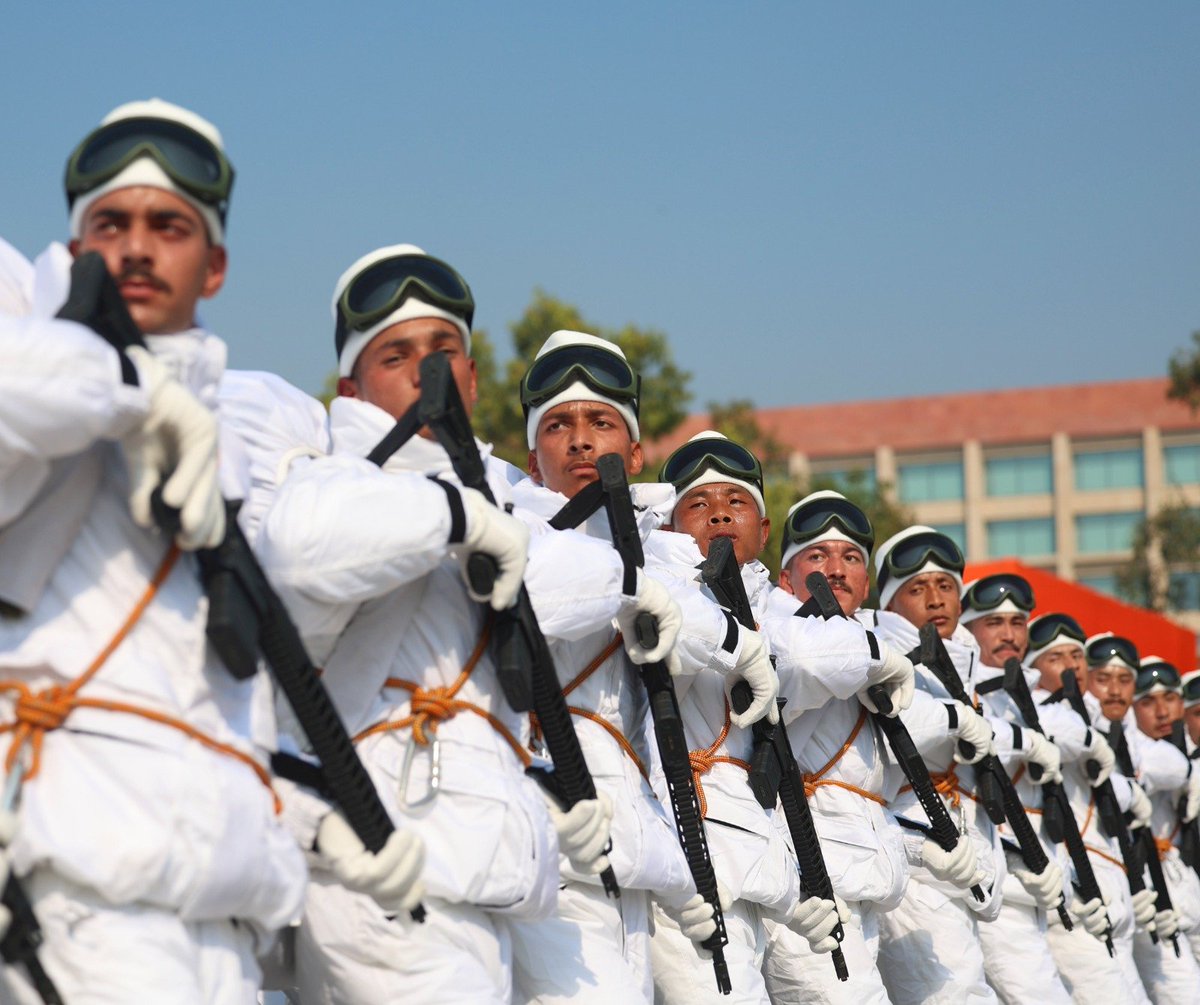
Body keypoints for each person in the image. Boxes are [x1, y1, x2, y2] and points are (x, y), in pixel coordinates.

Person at [0, 99, 329, 1003]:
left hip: (219, 917)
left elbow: (199, 711)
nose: (137, 247)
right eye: (110, 223)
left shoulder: (220, 438)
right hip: (78, 910)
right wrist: (137, 396)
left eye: (168, 225)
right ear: (72, 251)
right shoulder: (33, 335)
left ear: (214, 266)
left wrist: (308, 823)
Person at [257, 247, 626, 1003]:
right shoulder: (334, 479)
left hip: (475, 873)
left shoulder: (491, 494)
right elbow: (300, 550)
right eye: (398, 355)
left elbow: (571, 578)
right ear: (351, 388)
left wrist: (548, 800)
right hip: (381, 877)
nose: (428, 374)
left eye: (444, 352)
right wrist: (457, 514)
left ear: (473, 378)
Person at [505, 329, 719, 1002]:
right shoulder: (515, 530)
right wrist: (627, 586)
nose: (579, 440)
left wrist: (682, 879)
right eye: (558, 425)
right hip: (554, 846)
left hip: (635, 857)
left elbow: (721, 638)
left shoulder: (664, 556)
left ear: (635, 449)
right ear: (531, 458)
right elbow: (532, 589)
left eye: (602, 422)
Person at [648, 434, 848, 1004]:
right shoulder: (664, 588)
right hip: (692, 856)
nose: (718, 513)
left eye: (737, 502)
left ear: (764, 531)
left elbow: (822, 653)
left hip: (773, 862)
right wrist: (742, 647)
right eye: (698, 503)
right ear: (668, 527)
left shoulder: (779, 609)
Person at [762, 491, 978, 1005]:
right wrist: (888, 661)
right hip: (805, 891)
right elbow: (811, 664)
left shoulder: (868, 653)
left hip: (863, 885)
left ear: (866, 583)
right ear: (786, 578)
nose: (835, 571)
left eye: (851, 558)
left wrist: (919, 850)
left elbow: (864, 802)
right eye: (817, 556)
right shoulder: (780, 632)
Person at [863, 526, 1005, 1005]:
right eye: (917, 589)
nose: (935, 599)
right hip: (911, 840)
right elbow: (891, 728)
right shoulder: (882, 654)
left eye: (945, 586)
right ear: (889, 603)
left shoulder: (970, 661)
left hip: (964, 836)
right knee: (951, 991)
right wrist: (956, 718)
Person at [959, 574, 1072, 1004]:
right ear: (969, 628)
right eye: (994, 623)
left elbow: (1071, 726)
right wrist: (1028, 741)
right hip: (986, 877)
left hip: (1034, 880)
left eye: (1017, 623)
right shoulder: (967, 685)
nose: (1009, 634)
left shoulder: (1025, 691)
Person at [1024, 612, 1148, 1004]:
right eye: (1056, 658)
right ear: (1033, 668)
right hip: (1075, 884)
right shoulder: (1037, 712)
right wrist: (1127, 791)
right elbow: (1056, 732)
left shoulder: (1087, 714)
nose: (1072, 666)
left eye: (1077, 656)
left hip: (1111, 881)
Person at [1126, 656, 1200, 1001]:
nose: (1162, 712)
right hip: (1149, 891)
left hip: (1184, 884)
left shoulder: (1182, 749)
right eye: (1147, 702)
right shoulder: (1132, 750)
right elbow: (1167, 767)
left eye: (1170, 699)